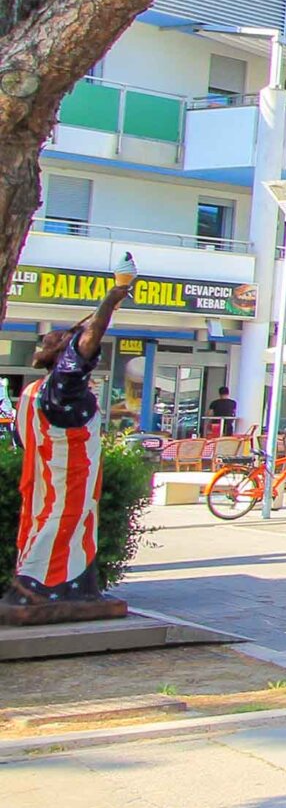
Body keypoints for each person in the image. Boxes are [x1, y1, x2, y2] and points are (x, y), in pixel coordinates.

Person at [6, 261, 139, 615]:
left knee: (66, 528)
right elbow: (86, 343)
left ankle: (76, 589)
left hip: (48, 480)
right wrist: (112, 299)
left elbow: (21, 438)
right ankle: (37, 587)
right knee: (63, 525)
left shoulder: (38, 390)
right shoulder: (61, 387)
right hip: (67, 478)